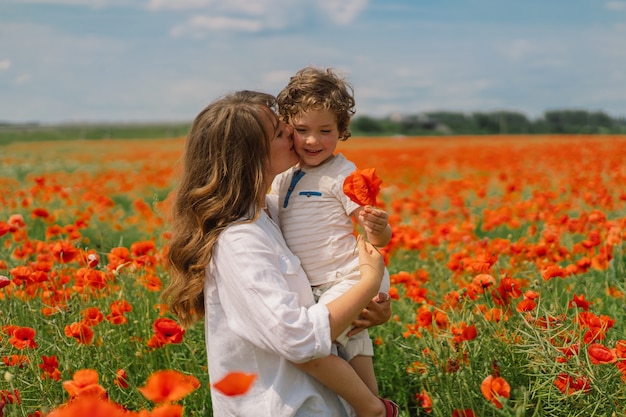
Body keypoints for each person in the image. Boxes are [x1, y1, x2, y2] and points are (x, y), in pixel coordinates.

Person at [162, 90, 398, 417]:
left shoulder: (271, 212)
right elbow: (298, 339)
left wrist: (368, 309)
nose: (292, 133)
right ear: (250, 156)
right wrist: (369, 281)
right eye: (279, 132)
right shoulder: (238, 240)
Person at [271, 66, 392, 395]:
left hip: (347, 276)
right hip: (315, 284)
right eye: (301, 129)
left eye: (325, 130)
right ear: (287, 126)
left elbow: (377, 238)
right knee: (354, 342)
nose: (312, 140)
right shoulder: (282, 176)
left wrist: (379, 229)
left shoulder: (343, 174)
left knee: (316, 337)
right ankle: (375, 406)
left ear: (342, 129)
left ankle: (369, 407)